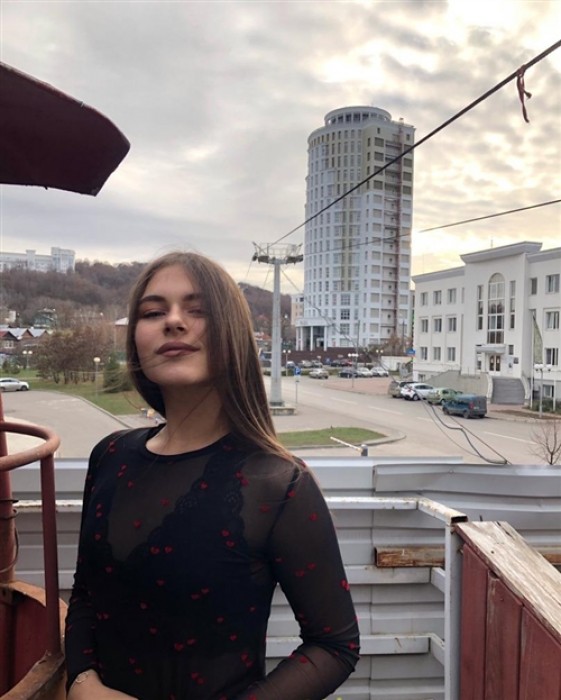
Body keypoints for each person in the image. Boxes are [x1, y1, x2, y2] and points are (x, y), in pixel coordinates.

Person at [64, 251, 360, 700]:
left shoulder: (277, 484)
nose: (173, 321)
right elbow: (85, 592)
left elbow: (335, 645)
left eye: (198, 310)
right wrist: (82, 683)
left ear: (233, 335)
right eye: (153, 312)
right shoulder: (109, 456)